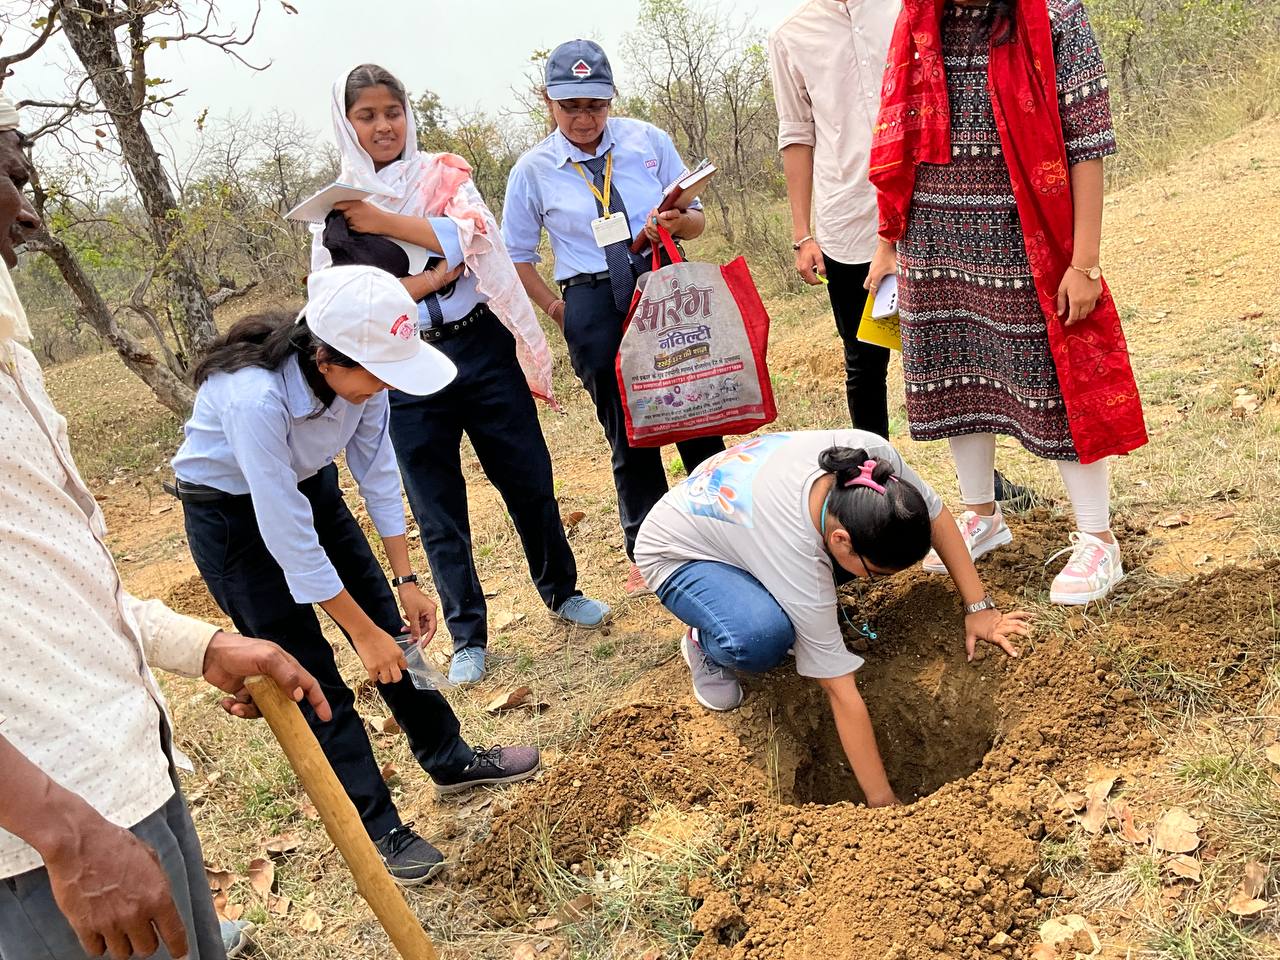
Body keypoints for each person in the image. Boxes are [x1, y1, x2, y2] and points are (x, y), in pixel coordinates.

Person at [0, 91, 326, 959]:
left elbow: (48, 579)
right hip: (43, 840)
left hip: (120, 776)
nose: (27, 212)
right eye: (7, 176)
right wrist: (61, 831)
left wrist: (200, 645)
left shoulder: (9, 357)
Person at [170, 265, 541, 885]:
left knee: (397, 635)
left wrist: (404, 581)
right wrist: (361, 633)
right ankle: (379, 827)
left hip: (311, 487)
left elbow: (376, 473)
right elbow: (286, 534)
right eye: (377, 374)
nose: (386, 385)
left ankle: (448, 757)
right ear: (326, 360)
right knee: (308, 673)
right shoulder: (254, 399)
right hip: (231, 519)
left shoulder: (367, 380)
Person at [314, 64, 609, 687]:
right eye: (367, 116)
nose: (383, 126)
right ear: (346, 124)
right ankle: (467, 633)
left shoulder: (443, 174)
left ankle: (562, 590)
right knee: (435, 503)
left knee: (527, 476)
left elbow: (470, 237)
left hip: (480, 345)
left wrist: (384, 225)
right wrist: (426, 278)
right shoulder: (333, 208)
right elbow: (340, 298)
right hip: (402, 364)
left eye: (392, 112)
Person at [867, 0, 1148, 605]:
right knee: (957, 374)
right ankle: (982, 515)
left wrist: (1084, 262)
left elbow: (1087, 144)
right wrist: (888, 242)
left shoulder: (1057, 15)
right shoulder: (920, 20)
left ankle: (1098, 538)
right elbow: (901, 134)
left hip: (1028, 237)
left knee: (1055, 380)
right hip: (934, 236)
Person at [634, 431, 1030, 806]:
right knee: (760, 637)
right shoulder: (795, 551)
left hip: (746, 525)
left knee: (805, 602)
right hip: (681, 551)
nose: (880, 581)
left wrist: (979, 608)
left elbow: (936, 518)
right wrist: (881, 800)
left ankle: (764, 598)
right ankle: (705, 641)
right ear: (841, 541)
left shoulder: (877, 465)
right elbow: (839, 689)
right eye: (877, 574)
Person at [768, 0, 1037, 512]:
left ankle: (984, 486)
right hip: (849, 219)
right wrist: (803, 233)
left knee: (960, 345)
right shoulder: (791, 36)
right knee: (864, 362)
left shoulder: (904, 7)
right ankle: (876, 495)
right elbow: (797, 134)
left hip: (930, 204)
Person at [503, 39, 726, 597]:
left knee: (694, 407)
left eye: (596, 106)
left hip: (661, 284)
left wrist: (675, 222)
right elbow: (518, 256)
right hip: (590, 298)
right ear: (548, 101)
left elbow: (697, 220)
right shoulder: (533, 170)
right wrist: (557, 309)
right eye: (570, 106)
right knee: (628, 427)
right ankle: (651, 549)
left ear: (611, 100)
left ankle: (721, 527)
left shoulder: (648, 141)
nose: (584, 119)